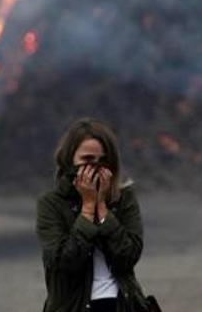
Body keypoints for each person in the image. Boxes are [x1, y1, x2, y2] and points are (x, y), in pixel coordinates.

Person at [36, 117, 152, 312]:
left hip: (121, 305)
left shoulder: (124, 199)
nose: (96, 168)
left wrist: (104, 211)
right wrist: (88, 209)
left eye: (103, 161)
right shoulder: (51, 204)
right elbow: (64, 262)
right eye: (87, 160)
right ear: (69, 159)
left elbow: (128, 256)